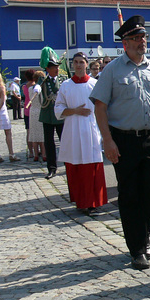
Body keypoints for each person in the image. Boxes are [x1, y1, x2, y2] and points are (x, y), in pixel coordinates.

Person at [91, 16, 150, 270]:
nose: (142, 42)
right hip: (123, 140)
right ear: (124, 43)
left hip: (149, 139)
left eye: (144, 37)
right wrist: (108, 141)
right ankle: (137, 248)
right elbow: (100, 108)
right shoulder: (112, 70)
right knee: (129, 195)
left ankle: (144, 235)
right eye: (136, 38)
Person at [55, 52, 107, 215]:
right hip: (72, 129)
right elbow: (58, 108)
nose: (78, 65)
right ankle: (81, 200)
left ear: (86, 64)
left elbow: (104, 107)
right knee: (75, 165)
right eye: (76, 62)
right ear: (73, 65)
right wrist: (74, 111)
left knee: (92, 165)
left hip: (91, 129)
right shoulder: (66, 86)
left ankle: (94, 202)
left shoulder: (94, 84)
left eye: (81, 62)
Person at [39, 56, 66, 179]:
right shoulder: (43, 81)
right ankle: (52, 168)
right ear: (48, 69)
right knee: (49, 143)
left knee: (64, 141)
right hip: (48, 115)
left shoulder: (62, 80)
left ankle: (68, 165)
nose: (57, 69)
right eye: (54, 67)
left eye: (57, 66)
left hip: (60, 115)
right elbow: (40, 93)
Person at [27, 71, 46, 162]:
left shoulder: (30, 89)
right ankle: (44, 153)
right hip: (41, 111)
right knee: (41, 135)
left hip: (32, 111)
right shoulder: (43, 89)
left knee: (34, 134)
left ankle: (35, 154)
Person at [21, 69, 36, 160]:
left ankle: (30, 151)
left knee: (28, 131)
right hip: (34, 109)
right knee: (37, 131)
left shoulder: (24, 87)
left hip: (27, 110)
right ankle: (39, 150)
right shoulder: (35, 86)